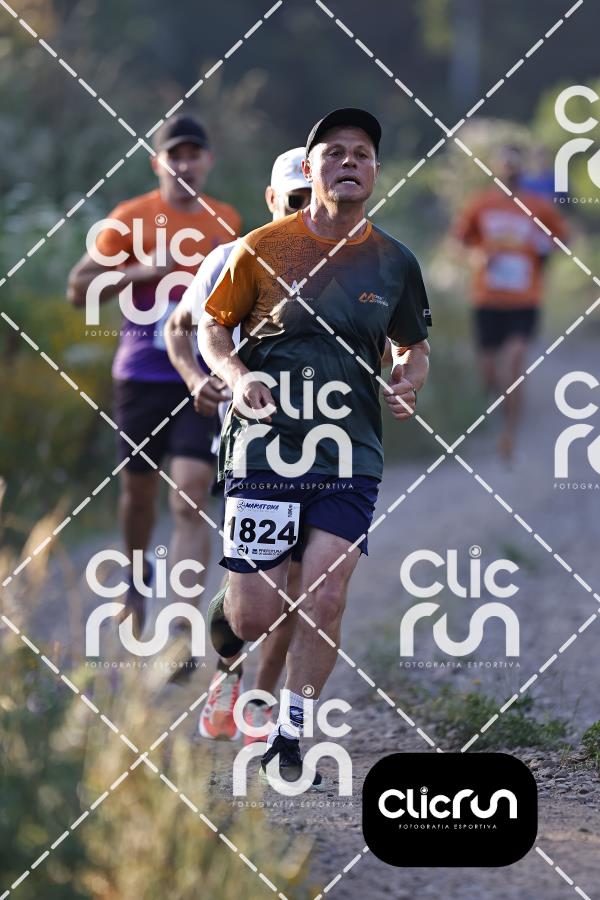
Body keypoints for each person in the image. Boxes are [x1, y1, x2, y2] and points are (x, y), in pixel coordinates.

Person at [198, 108, 431, 787]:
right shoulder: (262, 247)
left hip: (348, 451)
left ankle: (291, 731)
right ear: (312, 168)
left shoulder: (395, 261)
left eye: (362, 153)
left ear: (376, 171)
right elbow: (212, 329)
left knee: (325, 594)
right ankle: (228, 656)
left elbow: (413, 347)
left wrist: (407, 382)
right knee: (255, 614)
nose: (349, 161)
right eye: (335, 152)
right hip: (266, 449)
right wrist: (235, 376)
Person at [67, 115, 241, 640]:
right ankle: (136, 579)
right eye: (175, 155)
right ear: (157, 163)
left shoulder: (226, 219)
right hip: (141, 376)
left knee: (190, 494)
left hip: (201, 376)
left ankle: (182, 631)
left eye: (194, 154)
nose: (184, 164)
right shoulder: (131, 217)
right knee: (139, 494)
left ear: (208, 161)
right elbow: (78, 289)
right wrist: (138, 272)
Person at [164, 148, 311, 741]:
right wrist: (196, 379)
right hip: (254, 448)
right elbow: (180, 327)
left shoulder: (356, 264)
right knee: (255, 594)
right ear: (271, 200)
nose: (306, 211)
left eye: (316, 199)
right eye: (295, 199)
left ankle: (258, 704)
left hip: (328, 447)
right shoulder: (231, 258)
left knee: (300, 585)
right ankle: (228, 670)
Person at [453, 144, 568, 460]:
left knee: (514, 362)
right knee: (490, 374)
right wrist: (476, 256)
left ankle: (509, 435)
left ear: (521, 169)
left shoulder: (538, 206)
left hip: (524, 299)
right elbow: (458, 242)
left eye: (514, 165)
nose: (509, 170)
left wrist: (543, 251)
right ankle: (492, 420)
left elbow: (562, 238)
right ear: (495, 168)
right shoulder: (480, 204)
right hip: (487, 299)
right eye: (504, 165)